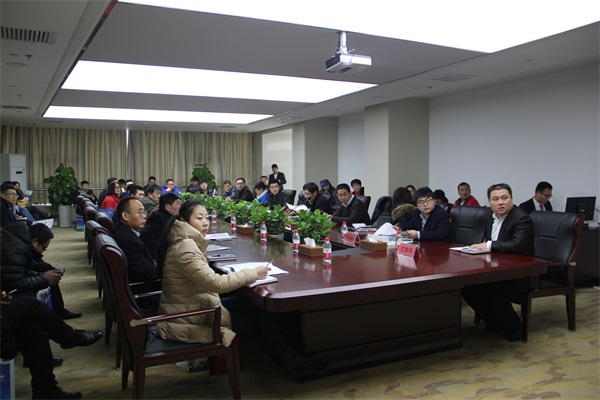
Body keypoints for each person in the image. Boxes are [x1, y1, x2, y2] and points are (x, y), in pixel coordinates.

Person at [155, 201, 326, 382]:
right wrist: (253, 273)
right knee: (257, 321)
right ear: (183, 220)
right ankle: (290, 360)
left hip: (196, 305)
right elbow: (216, 283)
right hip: (191, 317)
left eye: (206, 217)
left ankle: (289, 357)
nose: (205, 222)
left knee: (251, 305)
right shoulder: (186, 248)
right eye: (199, 218)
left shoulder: (185, 241)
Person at [463, 183, 534, 342]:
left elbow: (518, 245)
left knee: (497, 298)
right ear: (489, 202)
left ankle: (515, 329)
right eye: (495, 199)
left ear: (511, 199)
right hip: (497, 268)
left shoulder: (522, 219)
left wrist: (488, 245)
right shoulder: (490, 217)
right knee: (469, 291)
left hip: (520, 271)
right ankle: (494, 323)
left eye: (504, 198)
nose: (500, 202)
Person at [27, 224, 81, 320]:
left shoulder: (26, 246)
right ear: (35, 241)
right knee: (49, 275)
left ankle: (59, 311)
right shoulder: (22, 250)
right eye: (44, 248)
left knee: (49, 272)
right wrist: (45, 276)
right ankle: (59, 311)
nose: (42, 252)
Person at [111, 197, 160, 284]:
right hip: (143, 288)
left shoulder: (123, 231)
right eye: (139, 212)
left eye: (144, 212)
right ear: (125, 215)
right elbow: (148, 274)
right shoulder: (128, 241)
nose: (144, 216)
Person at [140, 193, 182, 259]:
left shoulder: (171, 218)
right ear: (168, 207)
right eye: (177, 203)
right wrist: (159, 257)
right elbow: (146, 235)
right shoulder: (157, 218)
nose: (180, 206)